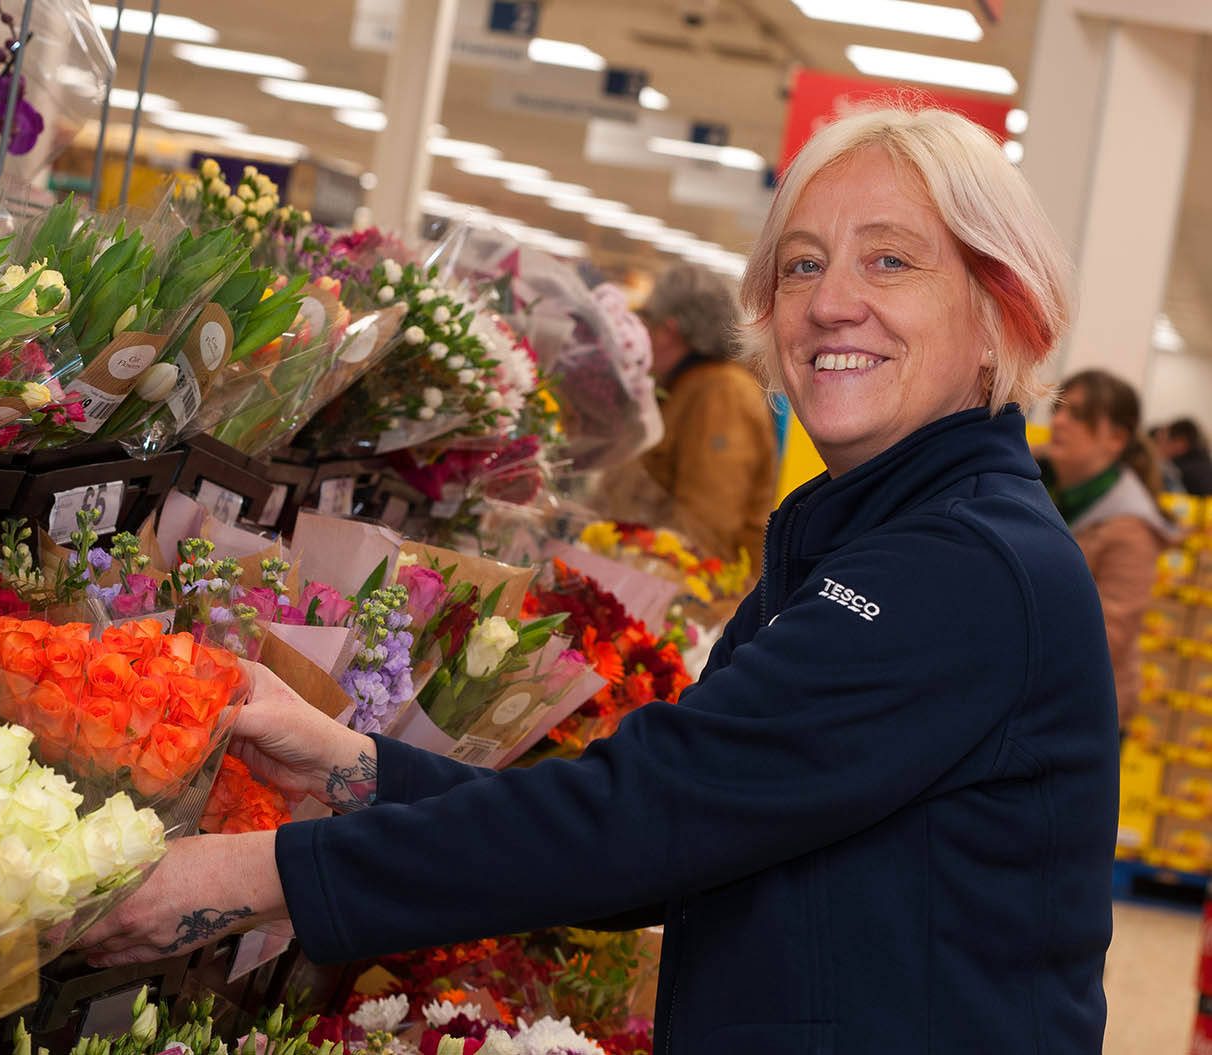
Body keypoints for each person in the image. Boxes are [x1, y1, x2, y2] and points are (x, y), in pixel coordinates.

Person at [79, 107, 1119, 1053]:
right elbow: (677, 824)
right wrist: (352, 767)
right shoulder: (875, 532)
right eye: (801, 266)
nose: (832, 303)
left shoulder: (963, 566)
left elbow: (647, 816)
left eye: (891, 261)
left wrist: (254, 875)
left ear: (1004, 313)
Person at [1043, 371, 1179, 724]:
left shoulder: (1130, 527)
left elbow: (1107, 637)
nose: (1058, 421)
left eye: (1078, 415)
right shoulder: (1034, 476)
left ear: (1116, 438)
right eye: (1058, 409)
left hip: (1083, 712)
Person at [627, 264, 777, 567]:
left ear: (668, 331)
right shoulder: (690, 385)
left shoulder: (721, 394)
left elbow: (706, 527)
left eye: (649, 325)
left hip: (700, 595)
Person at [1152, 417, 1212, 495]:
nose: (1166, 446)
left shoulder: (1179, 470)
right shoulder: (1203, 462)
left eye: (1169, 441)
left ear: (1182, 442)